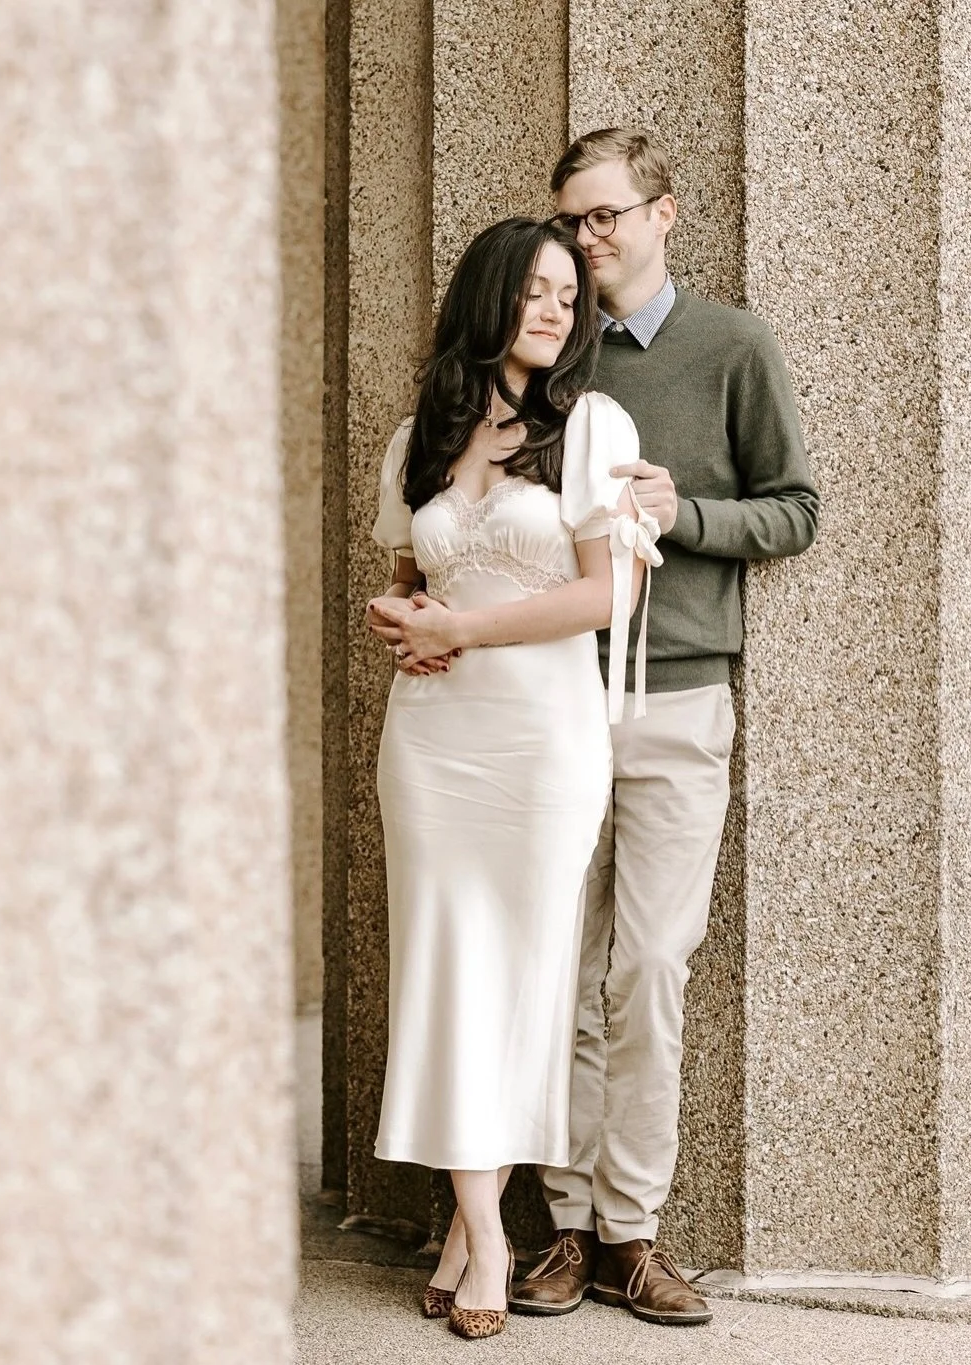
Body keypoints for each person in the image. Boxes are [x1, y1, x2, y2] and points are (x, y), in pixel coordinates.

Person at [508, 129, 820, 1327]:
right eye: (573, 222)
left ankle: (635, 1230)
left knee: (648, 968)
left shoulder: (735, 345)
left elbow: (794, 510)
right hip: (549, 696)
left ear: (663, 214)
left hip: (682, 698)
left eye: (607, 217)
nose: (588, 241)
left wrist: (681, 512)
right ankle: (566, 1230)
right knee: (561, 971)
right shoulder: (553, 355)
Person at [365, 215, 663, 1341]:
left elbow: (607, 597)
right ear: (487, 298)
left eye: (566, 295)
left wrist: (472, 634)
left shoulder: (592, 426)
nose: (555, 309)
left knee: (526, 975)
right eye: (534, 290)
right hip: (433, 740)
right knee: (444, 969)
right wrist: (405, 623)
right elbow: (407, 582)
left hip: (542, 741)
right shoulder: (420, 438)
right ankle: (484, 1231)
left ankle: (471, 1221)